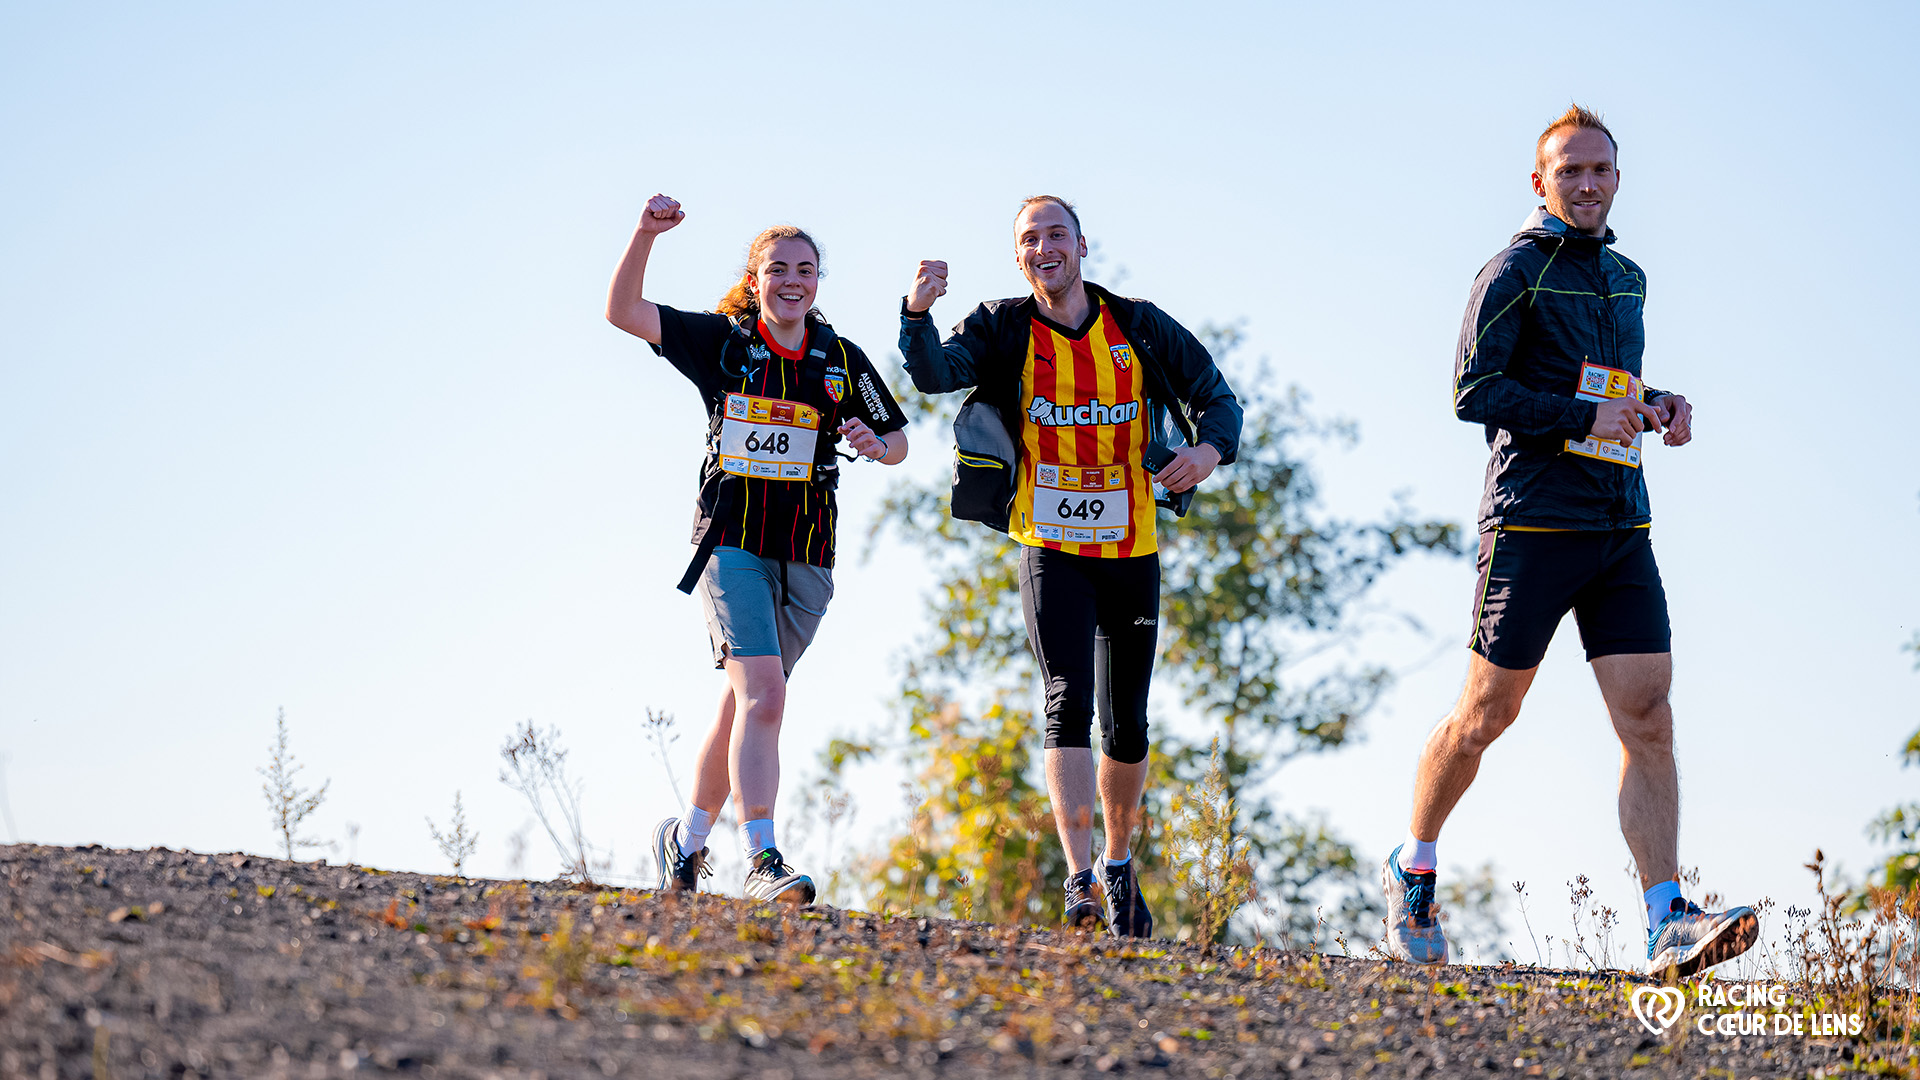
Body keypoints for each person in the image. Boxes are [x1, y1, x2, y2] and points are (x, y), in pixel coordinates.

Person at [1384, 107, 1755, 978]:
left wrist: (1657, 403)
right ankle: (1415, 865)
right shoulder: (1510, 269)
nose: (1587, 184)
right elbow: (1473, 392)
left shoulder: (1628, 277)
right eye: (1571, 172)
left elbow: (1606, 385)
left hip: (1621, 525)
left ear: (1618, 180)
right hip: (1531, 523)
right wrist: (1581, 415)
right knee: (1487, 717)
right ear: (1540, 181)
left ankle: (1668, 916)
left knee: (1648, 717)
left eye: (1601, 171)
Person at [900, 196, 1242, 936]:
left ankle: (1119, 864)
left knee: (1129, 723)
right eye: (1030, 239)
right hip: (1048, 543)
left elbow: (1217, 398)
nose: (1044, 247)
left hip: (1132, 546)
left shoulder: (1138, 324)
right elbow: (933, 374)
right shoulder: (1001, 327)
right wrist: (917, 313)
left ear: (1082, 246)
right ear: (1018, 257)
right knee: (1066, 700)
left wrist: (1206, 452)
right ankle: (1080, 876)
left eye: (1057, 234)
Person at [606, 194, 908, 904]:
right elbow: (623, 311)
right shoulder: (723, 342)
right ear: (754, 280)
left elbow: (897, 440)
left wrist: (873, 442)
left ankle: (683, 844)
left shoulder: (839, 359)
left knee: (747, 701)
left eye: (805, 269)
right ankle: (764, 857)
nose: (792, 280)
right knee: (766, 695)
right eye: (777, 269)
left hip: (807, 551)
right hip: (732, 540)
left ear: (818, 281)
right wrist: (644, 234)